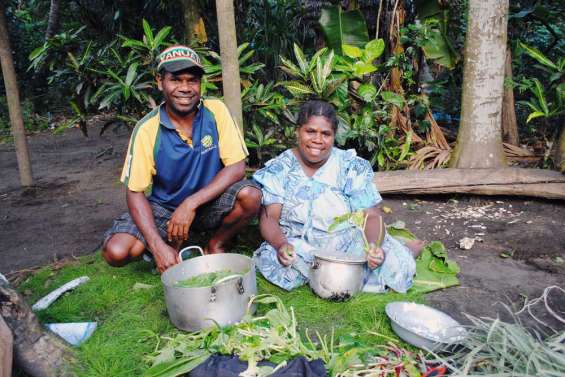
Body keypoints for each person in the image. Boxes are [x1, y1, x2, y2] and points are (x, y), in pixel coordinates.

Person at [103, 45, 261, 273]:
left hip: (208, 202)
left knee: (250, 196)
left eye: (192, 80)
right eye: (176, 80)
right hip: (164, 207)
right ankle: (165, 245)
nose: (185, 88)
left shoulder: (216, 110)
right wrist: (157, 246)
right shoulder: (148, 129)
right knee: (118, 252)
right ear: (160, 82)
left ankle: (215, 243)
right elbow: (134, 191)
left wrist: (190, 204)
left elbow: (237, 167)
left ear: (200, 84)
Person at [253, 100, 418, 293]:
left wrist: (373, 247)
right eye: (310, 131)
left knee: (391, 264)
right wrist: (282, 245)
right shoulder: (281, 167)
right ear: (297, 131)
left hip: (347, 243)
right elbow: (269, 217)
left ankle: (406, 250)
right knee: (273, 259)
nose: (317, 140)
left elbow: (371, 216)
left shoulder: (350, 166)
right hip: (299, 245)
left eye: (326, 134)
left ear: (334, 136)